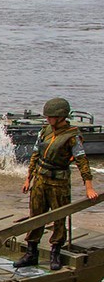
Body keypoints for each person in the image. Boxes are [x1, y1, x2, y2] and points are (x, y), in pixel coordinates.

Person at [15, 97, 98, 270]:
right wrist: (28, 178)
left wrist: (88, 187)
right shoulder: (45, 131)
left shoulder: (72, 136)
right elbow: (36, 155)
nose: (47, 119)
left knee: (59, 217)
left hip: (58, 181)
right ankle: (31, 252)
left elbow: (82, 161)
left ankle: (55, 253)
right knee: (36, 215)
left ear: (60, 117)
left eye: (51, 116)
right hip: (40, 178)